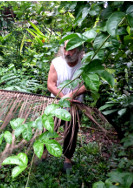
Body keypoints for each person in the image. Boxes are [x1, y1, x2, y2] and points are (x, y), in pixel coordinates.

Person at [45, 40, 87, 172]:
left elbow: (88, 84)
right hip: (56, 104)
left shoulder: (86, 64)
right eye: (65, 49)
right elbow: (51, 84)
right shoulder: (56, 63)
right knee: (49, 128)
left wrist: (73, 94)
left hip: (75, 105)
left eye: (71, 50)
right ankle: (44, 153)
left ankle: (67, 158)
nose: (67, 53)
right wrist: (63, 97)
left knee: (72, 131)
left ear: (79, 50)